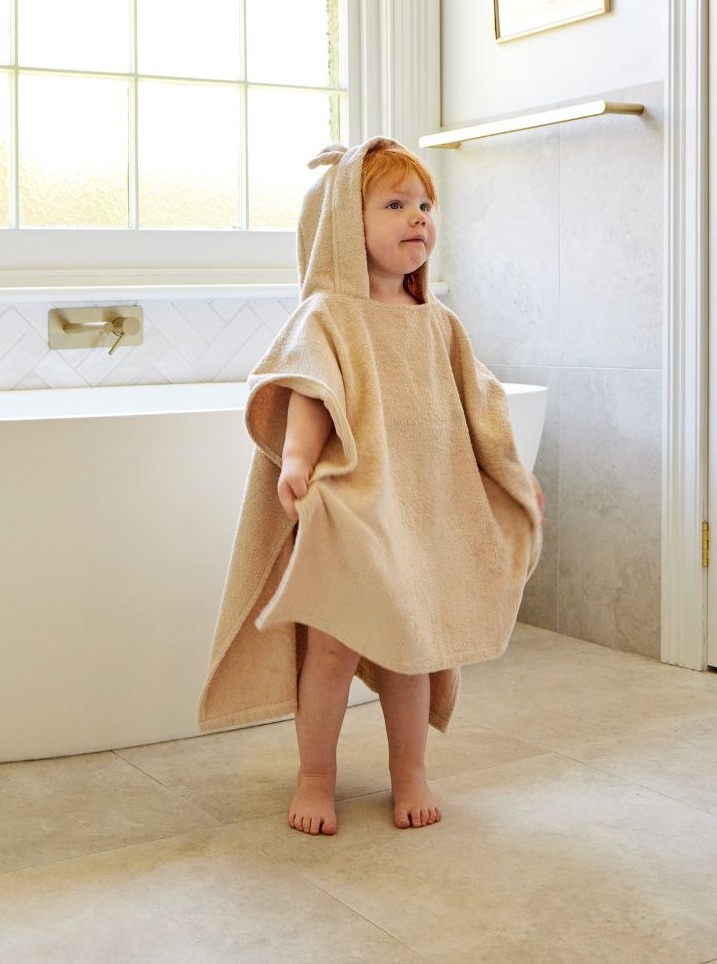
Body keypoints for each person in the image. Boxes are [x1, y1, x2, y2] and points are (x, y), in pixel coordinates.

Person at [196, 136, 546, 837]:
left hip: (417, 511)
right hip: (350, 511)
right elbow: (310, 391)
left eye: (425, 205)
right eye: (394, 205)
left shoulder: (438, 323)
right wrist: (297, 462)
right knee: (332, 649)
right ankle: (315, 776)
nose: (417, 216)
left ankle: (410, 772)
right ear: (344, 229)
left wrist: (513, 476)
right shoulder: (329, 315)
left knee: (411, 648)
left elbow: (483, 412)